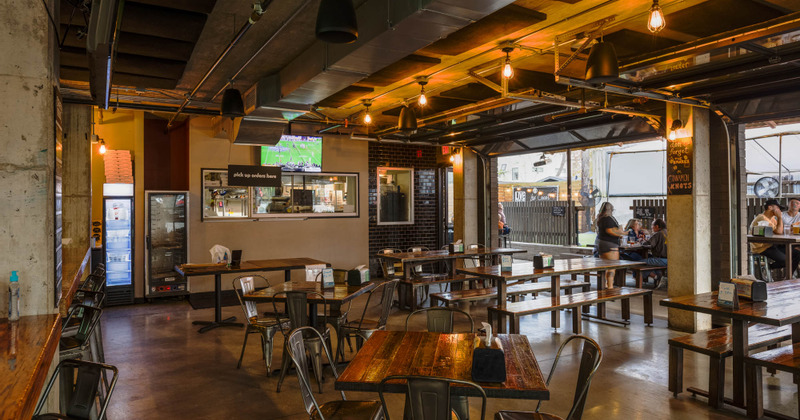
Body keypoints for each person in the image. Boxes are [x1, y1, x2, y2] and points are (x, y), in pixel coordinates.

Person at [750, 199, 800, 278]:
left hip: (772, 244)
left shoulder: (772, 219)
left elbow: (781, 230)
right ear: (770, 207)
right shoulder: (762, 218)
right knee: (786, 260)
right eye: (778, 208)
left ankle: (788, 277)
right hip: (762, 247)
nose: (779, 210)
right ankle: (768, 267)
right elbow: (779, 231)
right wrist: (780, 217)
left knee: (796, 253)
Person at [594, 202, 626, 289]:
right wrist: (621, 234)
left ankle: (603, 285)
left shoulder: (600, 218)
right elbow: (609, 231)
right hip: (610, 245)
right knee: (612, 266)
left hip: (601, 244)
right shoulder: (608, 218)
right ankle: (610, 287)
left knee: (604, 266)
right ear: (610, 209)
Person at [643, 219, 668, 286]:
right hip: (669, 259)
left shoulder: (658, 234)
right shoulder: (668, 232)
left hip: (662, 259)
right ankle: (658, 276)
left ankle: (657, 277)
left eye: (652, 225)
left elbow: (647, 244)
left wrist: (643, 241)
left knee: (638, 262)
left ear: (657, 226)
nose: (652, 227)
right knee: (649, 259)